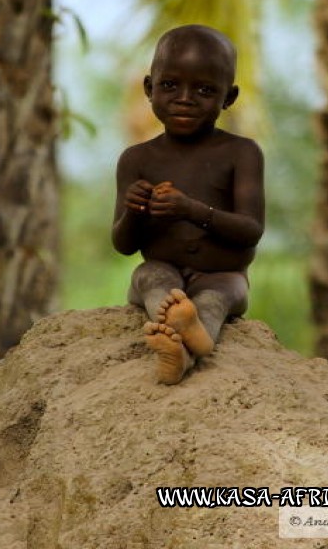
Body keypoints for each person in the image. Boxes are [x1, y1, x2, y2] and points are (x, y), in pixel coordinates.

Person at [112, 25, 264, 384]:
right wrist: (134, 211)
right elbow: (123, 244)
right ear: (149, 89)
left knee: (215, 299)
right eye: (169, 85)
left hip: (225, 276)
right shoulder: (136, 159)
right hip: (162, 267)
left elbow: (251, 231)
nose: (185, 98)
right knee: (150, 277)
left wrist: (192, 210)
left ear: (229, 97)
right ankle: (178, 338)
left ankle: (192, 336)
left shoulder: (241, 153)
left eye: (205, 90)